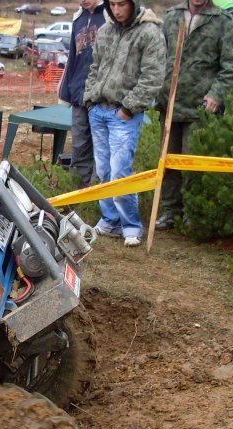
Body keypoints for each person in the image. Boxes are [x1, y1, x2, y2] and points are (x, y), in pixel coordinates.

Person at [82, 0, 166, 247]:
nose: (117, 10)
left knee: (120, 171)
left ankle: (131, 226)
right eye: (113, 4)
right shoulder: (105, 30)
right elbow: (94, 68)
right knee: (103, 170)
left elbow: (153, 77)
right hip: (98, 110)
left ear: (133, 4)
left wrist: (128, 109)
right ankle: (110, 220)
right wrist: (90, 100)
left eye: (122, 4)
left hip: (124, 114)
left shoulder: (150, 33)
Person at [154, 0, 233, 230]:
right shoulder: (172, 16)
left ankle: (192, 213)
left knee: (192, 162)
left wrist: (216, 94)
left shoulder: (222, 21)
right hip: (169, 103)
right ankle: (171, 211)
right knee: (167, 161)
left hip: (200, 107)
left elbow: (230, 66)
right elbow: (158, 56)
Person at [58, 0, 108, 188]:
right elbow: (72, 57)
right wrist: (66, 91)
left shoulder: (110, 15)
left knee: (101, 148)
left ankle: (97, 195)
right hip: (79, 94)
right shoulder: (78, 19)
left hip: (102, 96)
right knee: (79, 147)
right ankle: (78, 194)